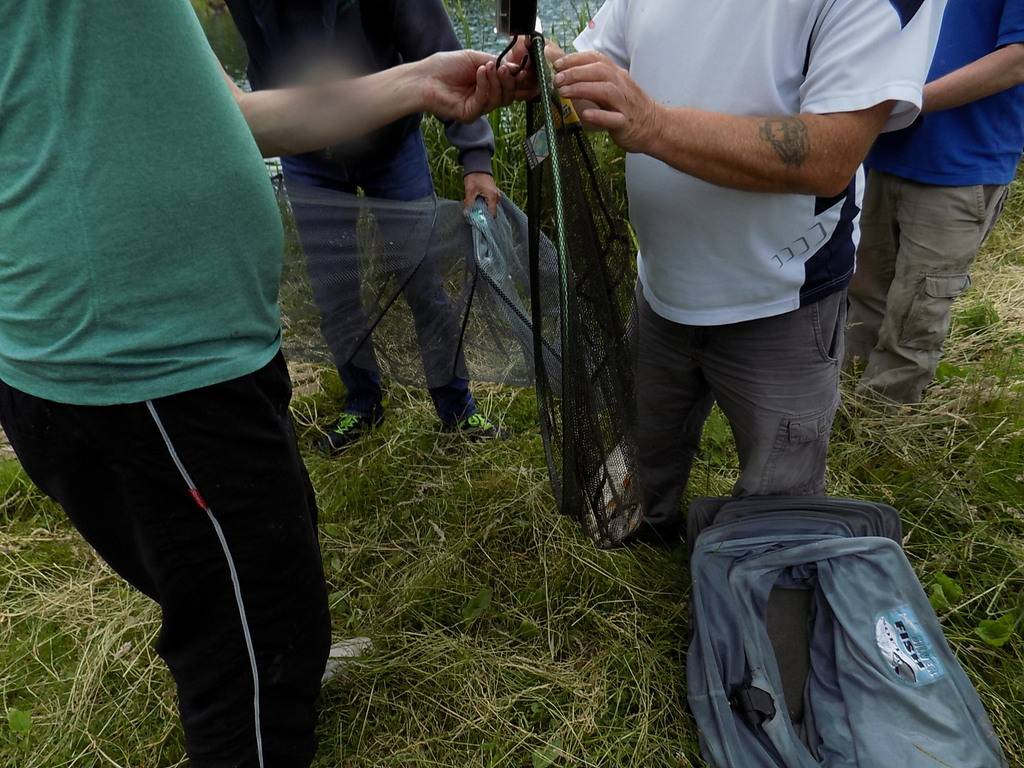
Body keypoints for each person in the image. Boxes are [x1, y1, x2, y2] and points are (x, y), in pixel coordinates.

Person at [0, 2, 528, 765]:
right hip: (139, 364)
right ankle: (270, 670)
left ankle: (285, 653)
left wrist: (419, 82)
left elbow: (239, 114)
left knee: (272, 571)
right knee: (244, 653)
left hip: (212, 347)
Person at [547, 0, 945, 544]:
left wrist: (652, 123)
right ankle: (642, 534)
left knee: (778, 495)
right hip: (661, 277)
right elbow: (592, 65)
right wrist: (541, 70)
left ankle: (759, 574)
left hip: (781, 294)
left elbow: (831, 153)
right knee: (644, 442)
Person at [225, 0, 506, 452]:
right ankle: (363, 402)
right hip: (307, 152)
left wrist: (476, 159)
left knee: (421, 279)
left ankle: (457, 408)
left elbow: (440, 52)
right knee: (334, 290)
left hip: (392, 145)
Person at [846, 0, 1024, 403]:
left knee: (915, 314)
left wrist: (905, 102)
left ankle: (881, 428)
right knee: (862, 291)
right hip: (883, 150)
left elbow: (1017, 60)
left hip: (960, 162)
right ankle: (837, 407)